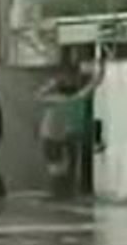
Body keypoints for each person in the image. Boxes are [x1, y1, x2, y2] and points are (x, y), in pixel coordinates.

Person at [37, 59, 105, 198]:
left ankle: (58, 193)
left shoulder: (55, 99)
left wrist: (52, 83)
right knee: (61, 168)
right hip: (58, 137)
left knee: (57, 168)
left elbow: (39, 95)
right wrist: (99, 76)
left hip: (51, 137)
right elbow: (89, 89)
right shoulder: (71, 100)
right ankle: (60, 193)